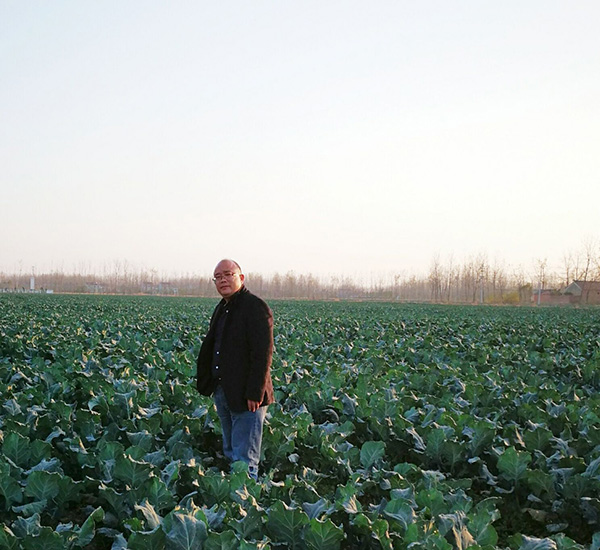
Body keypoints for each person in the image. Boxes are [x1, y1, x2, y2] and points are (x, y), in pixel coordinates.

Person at [196, 259, 274, 479]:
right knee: (231, 450)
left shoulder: (255, 307)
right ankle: (236, 501)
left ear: (241, 277)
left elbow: (262, 354)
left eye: (228, 274)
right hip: (223, 390)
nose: (222, 280)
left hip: (247, 395)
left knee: (245, 457)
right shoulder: (223, 308)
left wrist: (254, 392)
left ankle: (246, 503)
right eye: (218, 277)